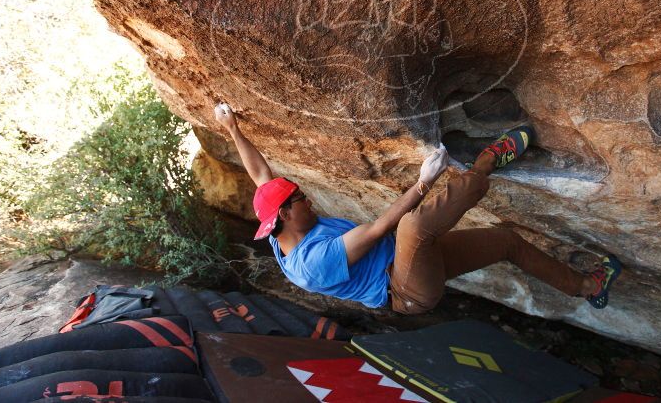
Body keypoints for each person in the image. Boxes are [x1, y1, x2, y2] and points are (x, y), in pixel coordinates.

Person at [213, 102, 621, 314]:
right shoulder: (311, 263)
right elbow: (375, 231)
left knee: (505, 242)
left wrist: (233, 129)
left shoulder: (279, 223)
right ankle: (487, 161)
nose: (308, 198)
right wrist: (425, 181)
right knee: (411, 227)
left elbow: (261, 175)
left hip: (412, 262)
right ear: (284, 213)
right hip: (407, 290)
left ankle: (587, 287)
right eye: (300, 198)